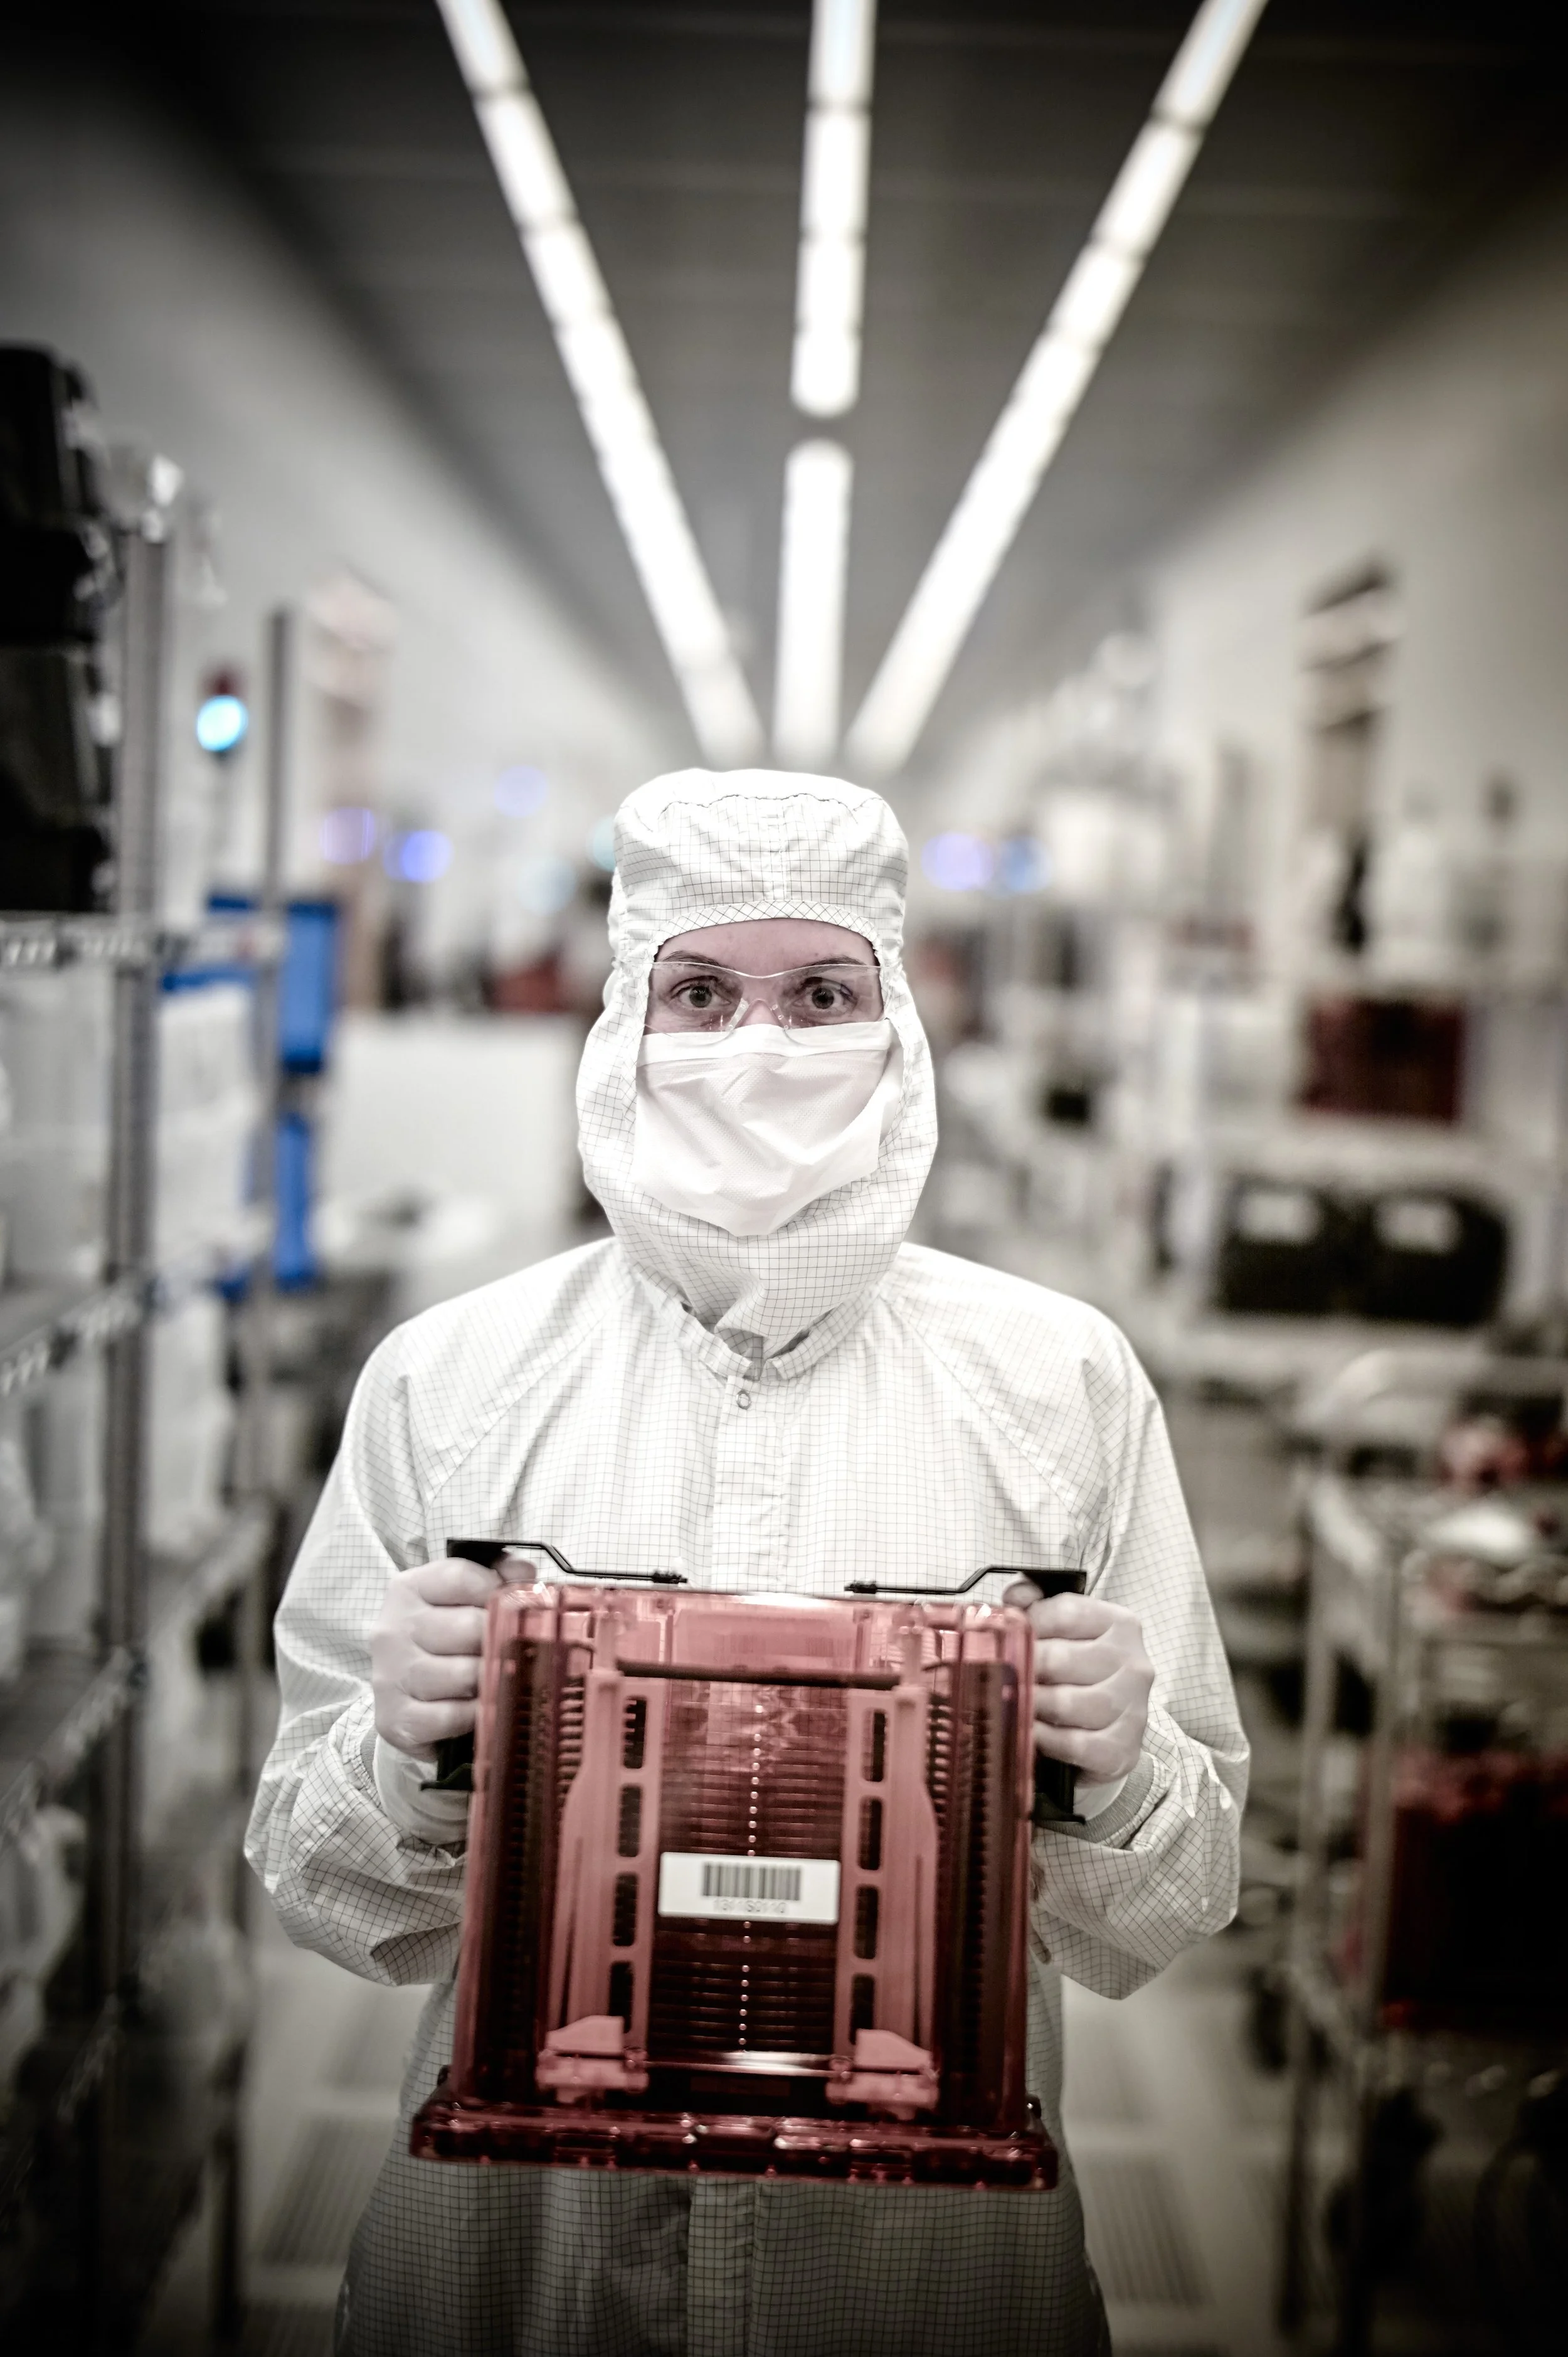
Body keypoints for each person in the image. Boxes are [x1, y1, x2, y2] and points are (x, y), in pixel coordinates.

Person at [247, 768, 1248, 2357]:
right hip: (520, 2279)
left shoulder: (1060, 1386)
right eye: (699, 991)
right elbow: (318, 1895)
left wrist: (1117, 1777)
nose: (761, 1045)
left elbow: (1172, 1912)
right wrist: (402, 1759)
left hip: (919, 2286)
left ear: (898, 1022)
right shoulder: (446, 1385)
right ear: (622, 1019)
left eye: (822, 993)